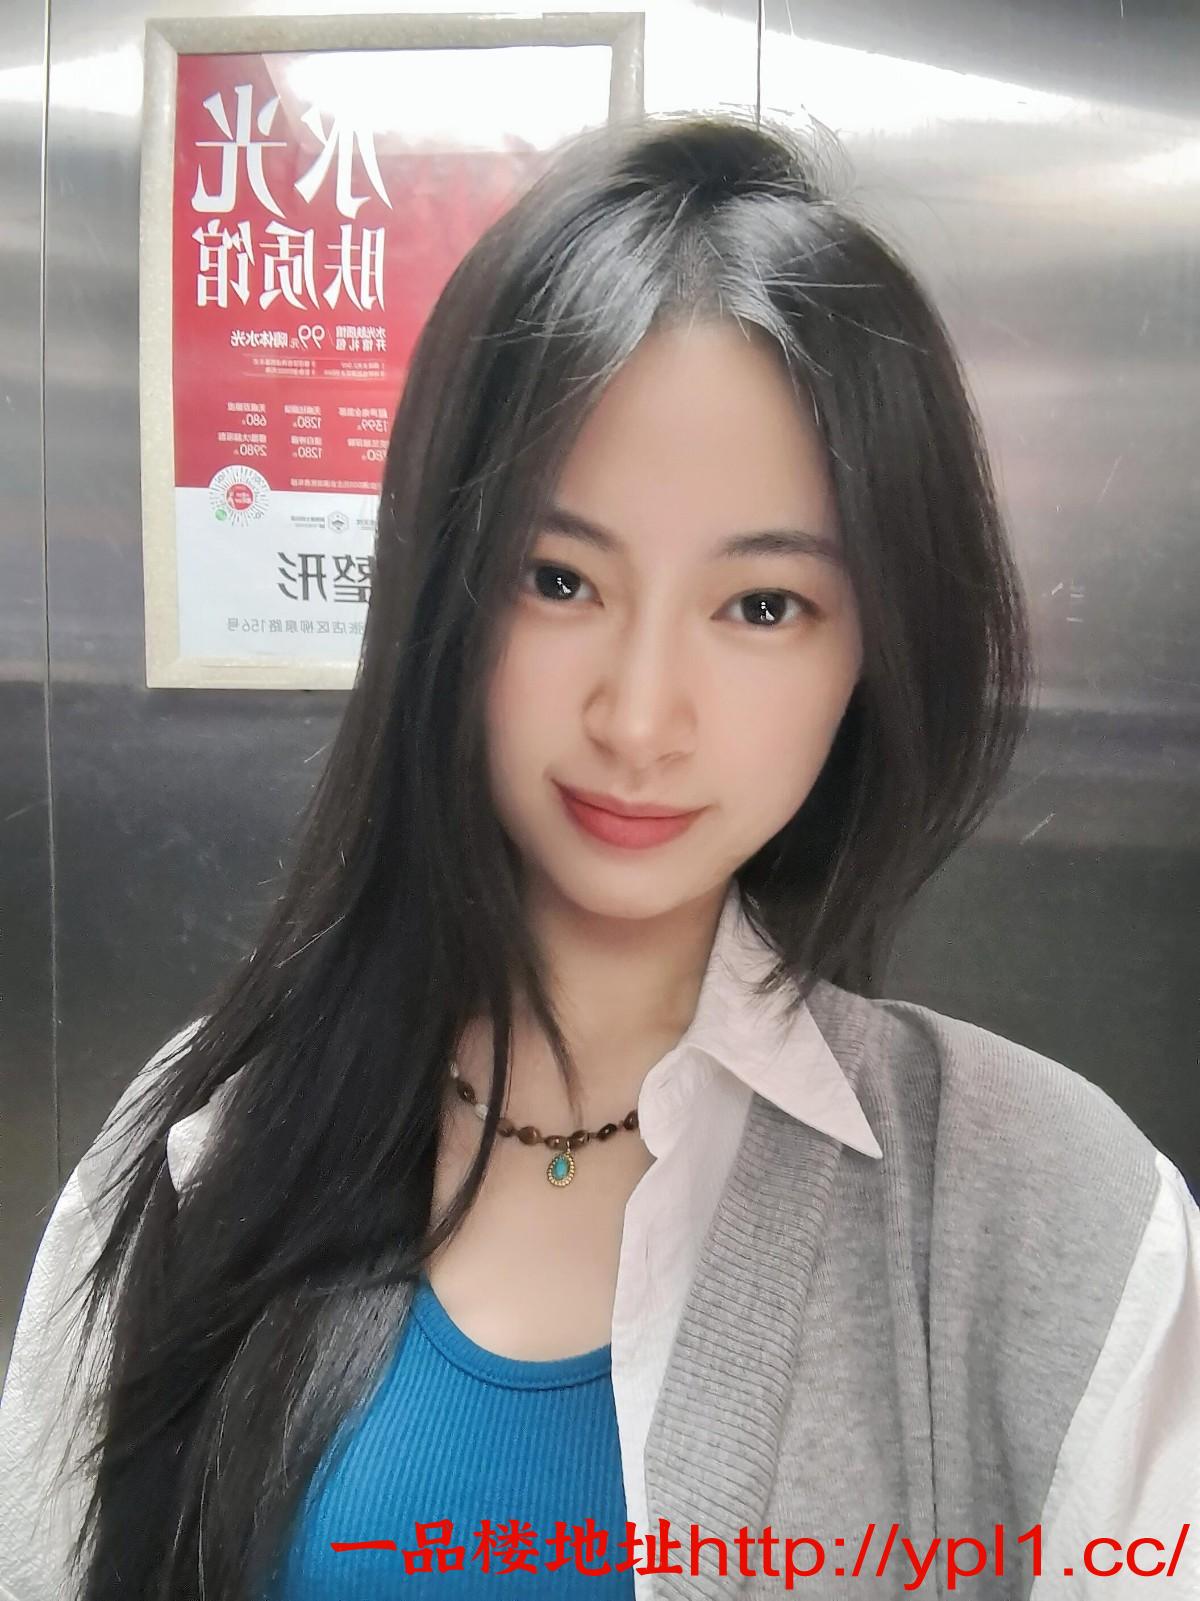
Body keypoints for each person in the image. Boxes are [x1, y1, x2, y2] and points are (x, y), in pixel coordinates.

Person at [0, 109, 1196, 1601]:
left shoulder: (1054, 1214)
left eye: (763, 606)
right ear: (445, 590)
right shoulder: (210, 1144)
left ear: (874, 649)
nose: (639, 719)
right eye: (558, 578)